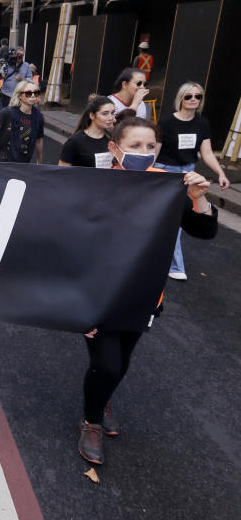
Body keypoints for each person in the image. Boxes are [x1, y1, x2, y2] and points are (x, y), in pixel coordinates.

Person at [77, 114, 217, 466]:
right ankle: (91, 421)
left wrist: (199, 198)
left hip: (144, 297)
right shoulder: (89, 185)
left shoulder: (169, 186)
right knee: (106, 365)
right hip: (98, 297)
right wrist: (77, 305)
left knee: (122, 361)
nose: (144, 152)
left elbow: (204, 231)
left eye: (150, 146)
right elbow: (68, 245)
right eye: (134, 146)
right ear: (114, 148)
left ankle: (102, 398)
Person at [155, 82, 230, 281]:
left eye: (198, 96)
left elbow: (206, 153)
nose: (193, 100)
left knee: (179, 219)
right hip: (165, 173)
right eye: (188, 96)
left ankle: (169, 262)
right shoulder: (166, 122)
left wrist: (221, 173)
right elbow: (154, 151)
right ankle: (175, 265)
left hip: (189, 174)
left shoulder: (202, 124)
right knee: (173, 219)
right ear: (180, 98)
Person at [0, 81, 44, 164]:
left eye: (36, 93)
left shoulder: (38, 116)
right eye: (28, 93)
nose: (33, 95)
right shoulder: (7, 113)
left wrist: (40, 162)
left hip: (23, 164)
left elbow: (39, 140)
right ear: (20, 95)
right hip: (2, 162)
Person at [58, 96, 116, 168]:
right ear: (92, 115)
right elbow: (62, 172)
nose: (111, 118)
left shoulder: (113, 138)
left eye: (113, 113)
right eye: (105, 114)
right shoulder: (75, 141)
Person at [0, 46, 30, 119]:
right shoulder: (7, 64)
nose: (20, 57)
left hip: (18, 97)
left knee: (14, 119)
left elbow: (31, 81)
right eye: (18, 55)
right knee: (1, 118)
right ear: (15, 54)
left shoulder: (26, 66)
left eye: (21, 55)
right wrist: (1, 76)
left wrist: (22, 79)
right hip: (5, 95)